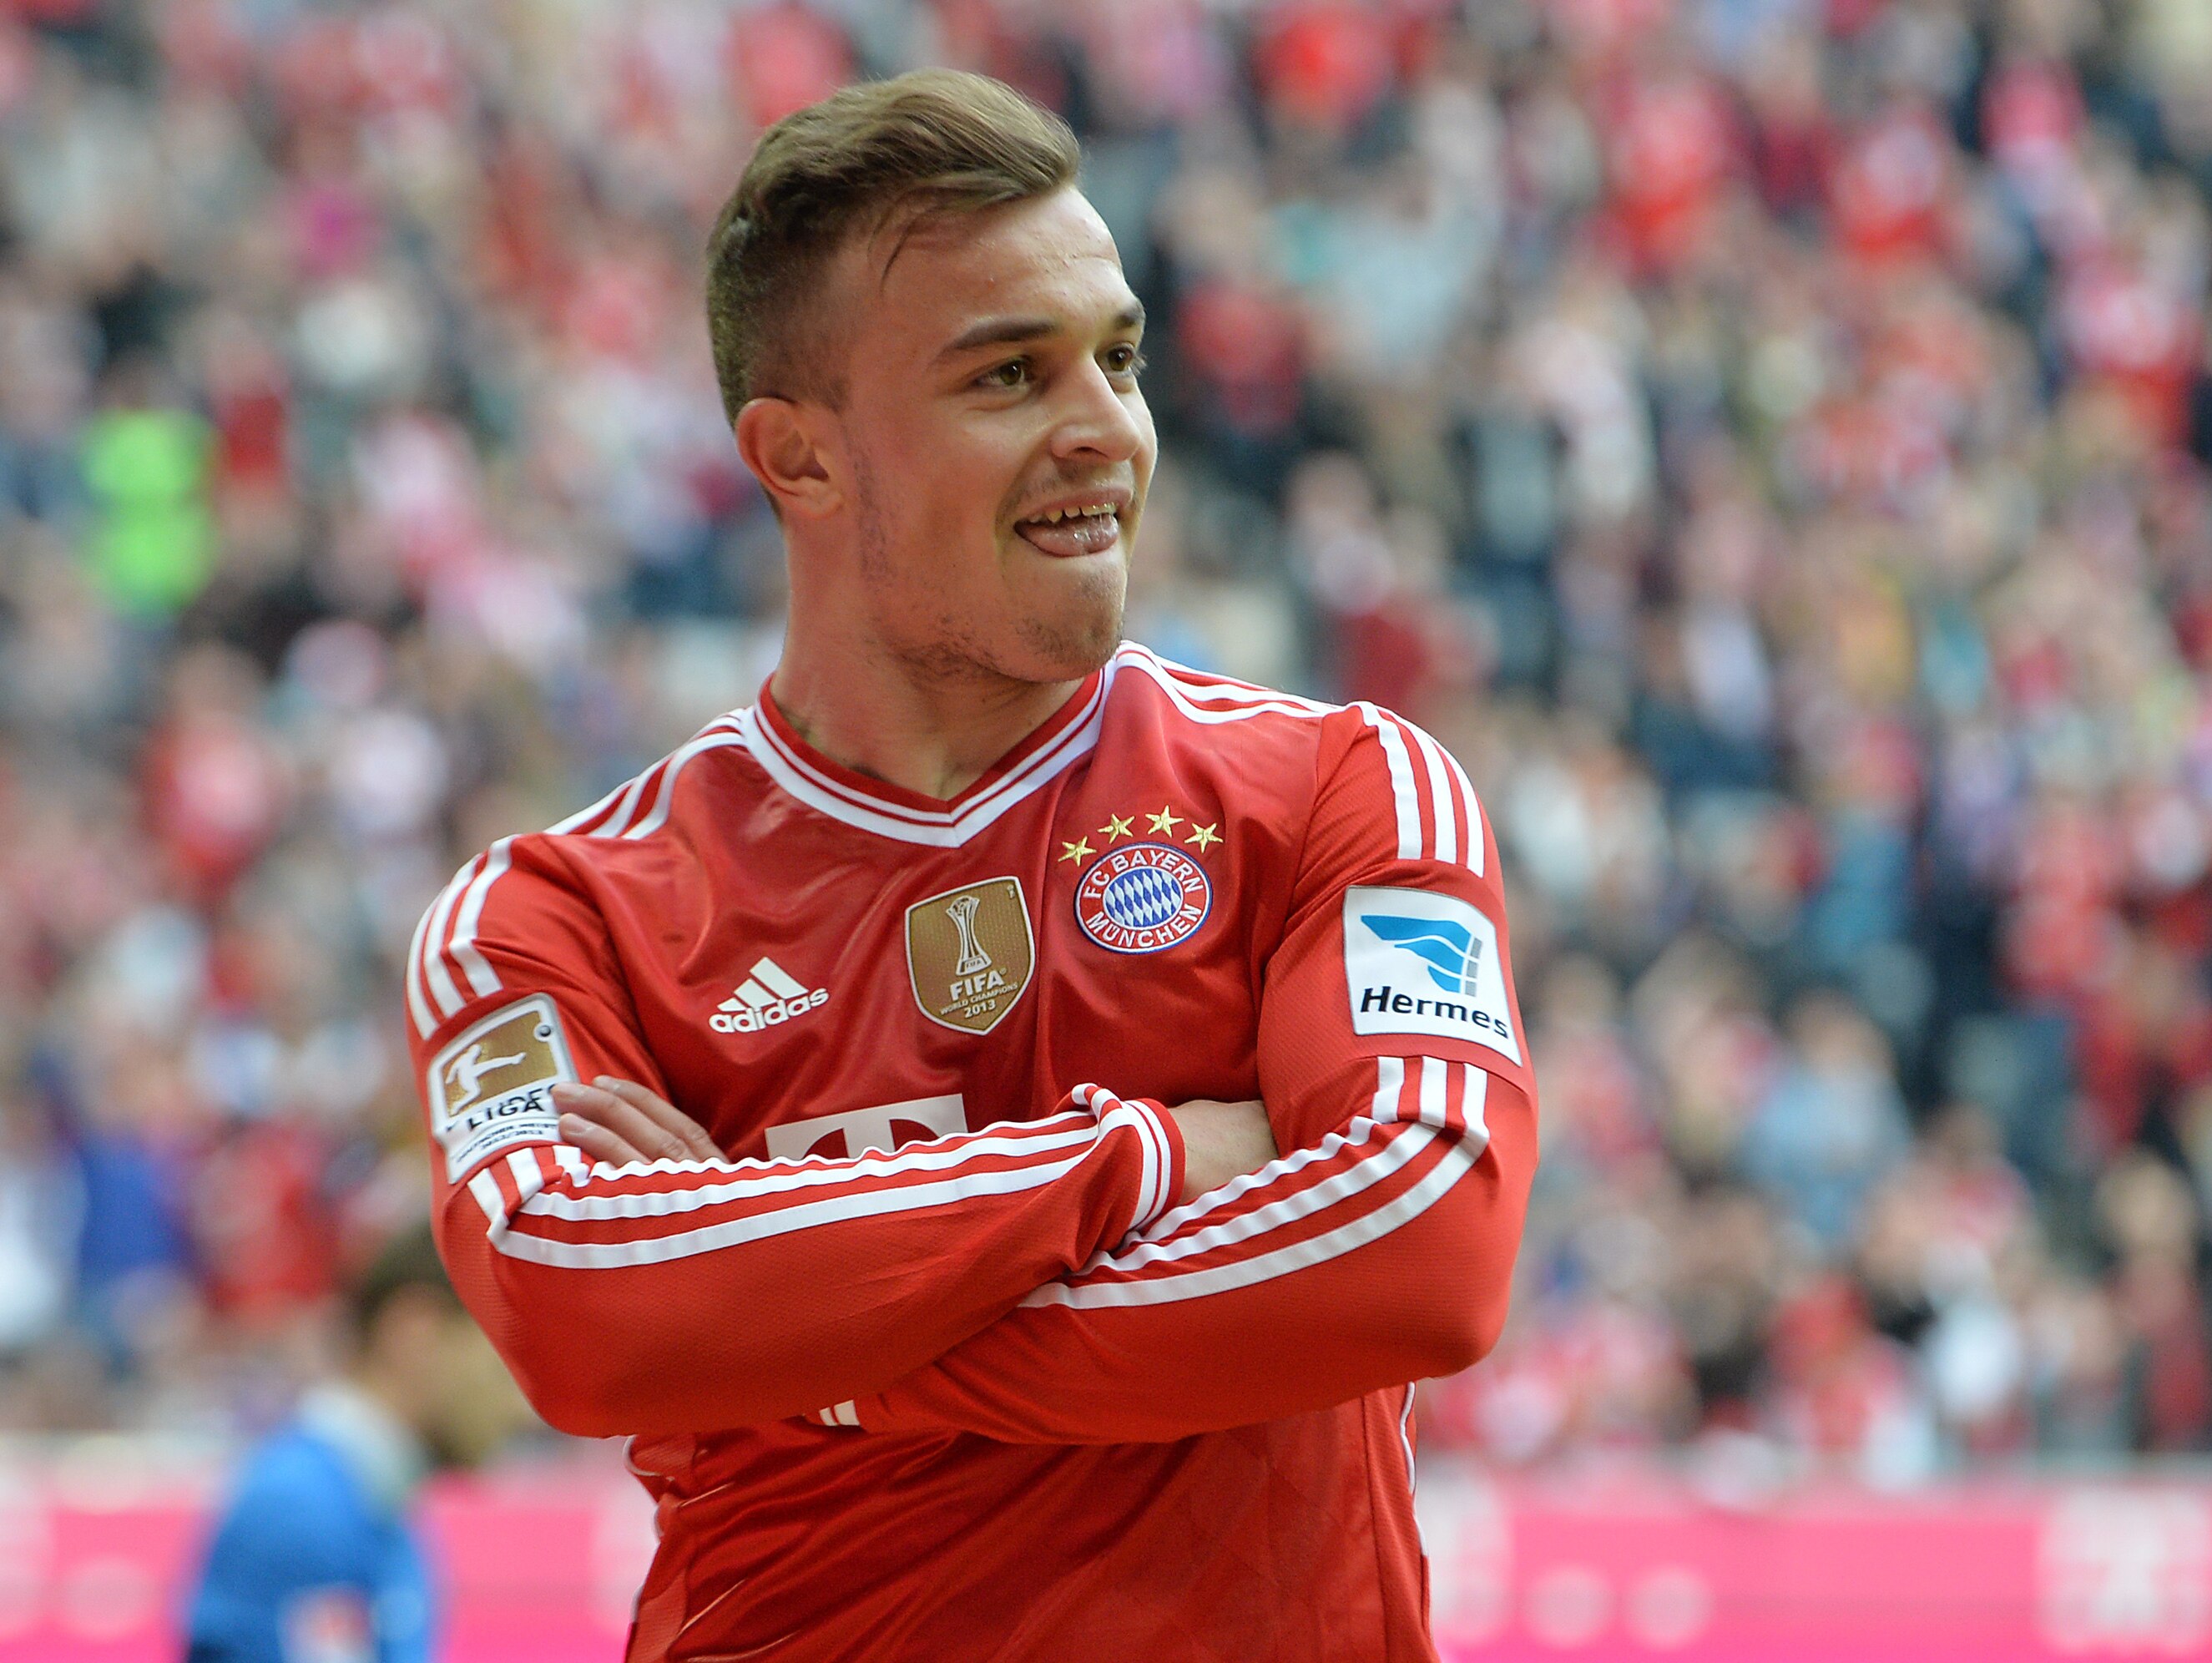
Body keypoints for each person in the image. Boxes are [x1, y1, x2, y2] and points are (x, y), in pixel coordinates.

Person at [400, 68, 1537, 1660]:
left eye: (1118, 358)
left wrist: (795, 1324)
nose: (1107, 432)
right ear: (799, 459)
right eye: (1009, 375)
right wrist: (1147, 1157)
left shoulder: (1343, 791)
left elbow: (1425, 1251)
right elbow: (579, 1305)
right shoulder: (548, 918)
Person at [184, 1229, 530, 1663]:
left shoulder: (373, 1501)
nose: (522, 1412)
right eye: (508, 1368)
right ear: (418, 1333)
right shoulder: (301, 1510)